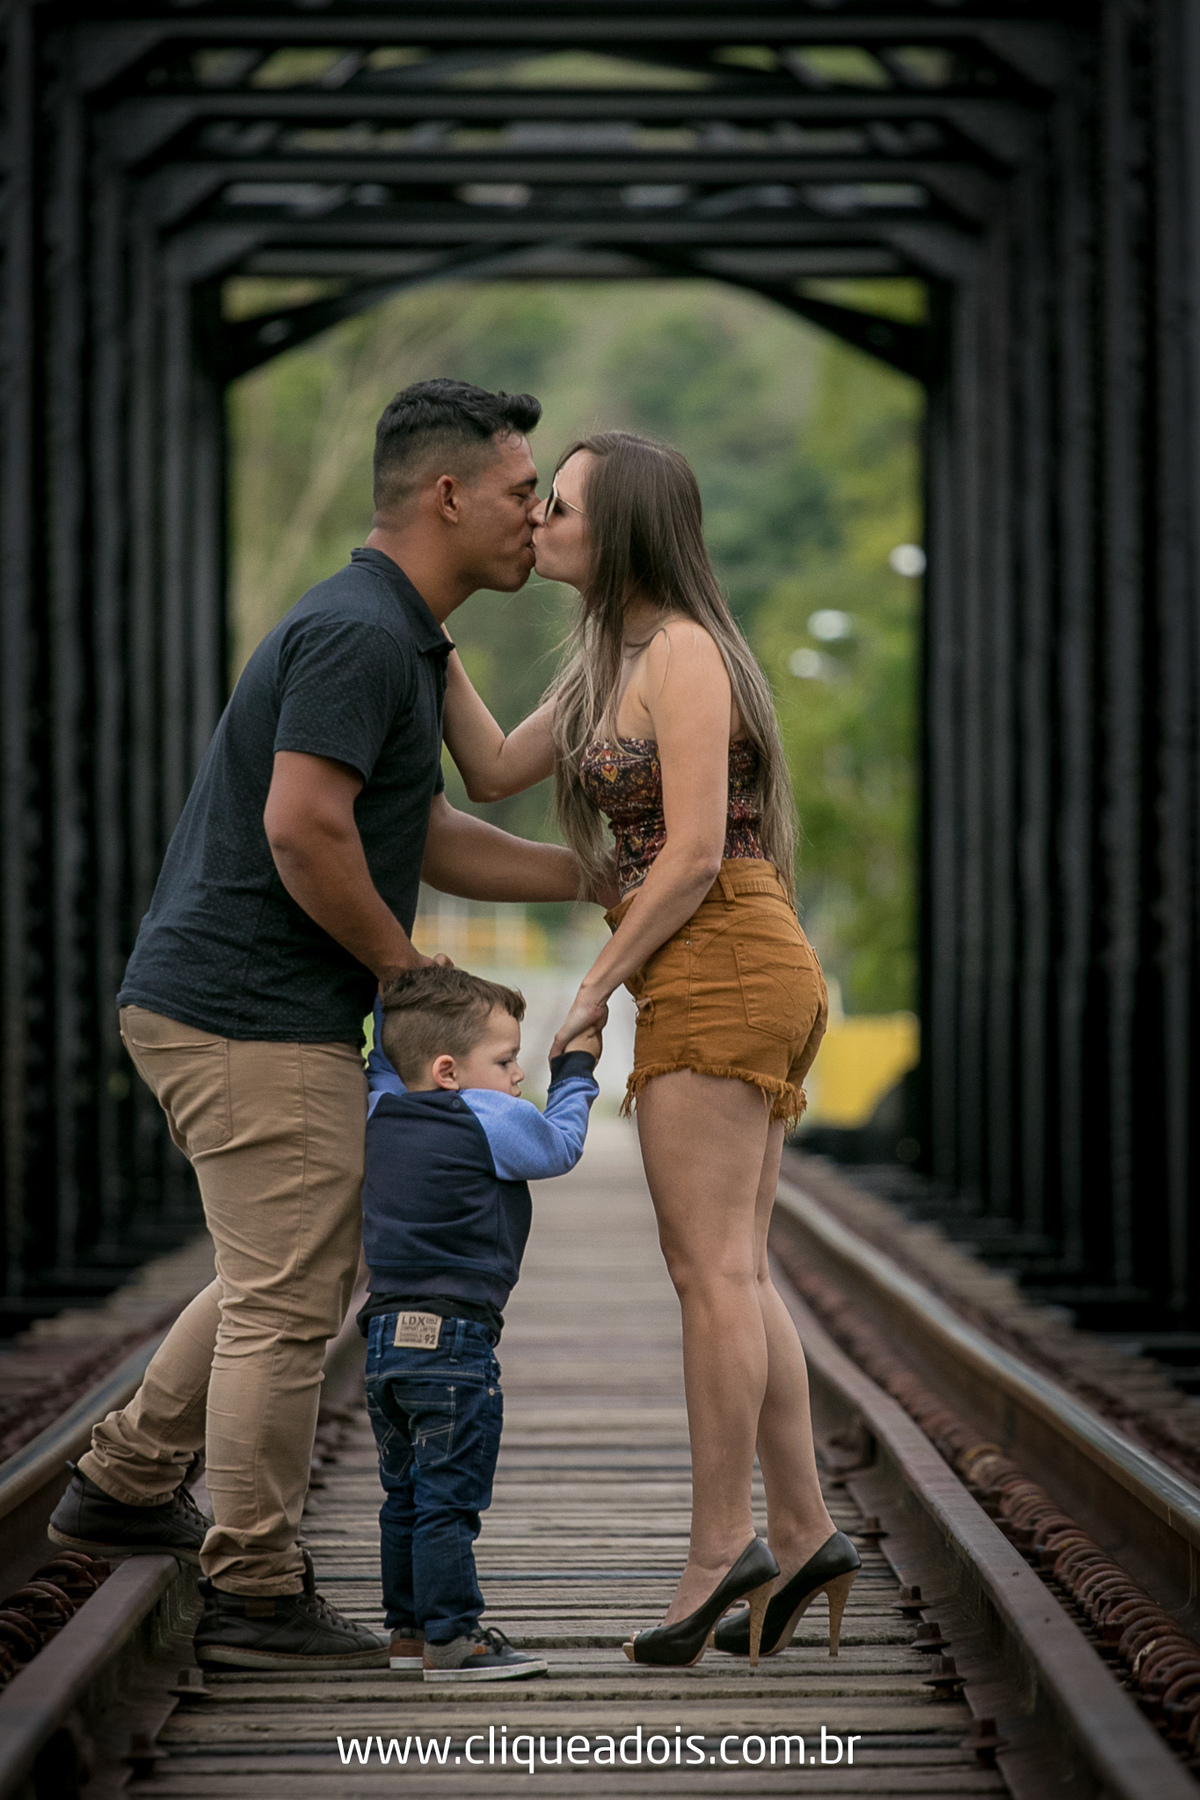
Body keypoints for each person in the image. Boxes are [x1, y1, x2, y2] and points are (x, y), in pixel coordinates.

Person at [49, 380, 605, 1672]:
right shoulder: (361, 637)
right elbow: (302, 829)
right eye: (525, 492)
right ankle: (252, 1588)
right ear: (447, 495)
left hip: (239, 1003)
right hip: (249, 1010)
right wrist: (409, 974)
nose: (539, 513)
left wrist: (595, 877)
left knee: (281, 1274)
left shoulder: (395, 637)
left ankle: (127, 1480)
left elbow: (429, 831)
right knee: (288, 1306)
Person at [439, 430, 861, 1670]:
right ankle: (803, 1526)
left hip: (725, 951)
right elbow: (491, 767)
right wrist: (428, 608)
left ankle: (716, 1544)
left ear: (616, 527)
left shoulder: (679, 653)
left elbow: (684, 856)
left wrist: (592, 991)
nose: (540, 518)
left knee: (709, 1276)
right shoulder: (603, 663)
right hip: (705, 958)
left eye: (559, 504)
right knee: (738, 1271)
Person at [360, 965, 601, 1682]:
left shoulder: (379, 1108)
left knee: (403, 1495)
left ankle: (407, 1633)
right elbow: (558, 1146)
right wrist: (577, 1072)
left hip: (382, 1343)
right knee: (449, 1499)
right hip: (455, 1345)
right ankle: (454, 1641)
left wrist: (384, 991)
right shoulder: (485, 1114)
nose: (517, 1072)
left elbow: (381, 1059)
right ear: (447, 1071)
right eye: (504, 1060)